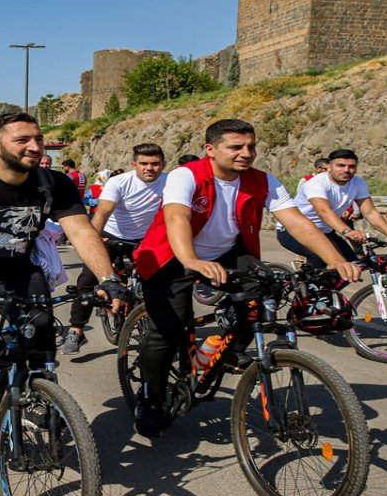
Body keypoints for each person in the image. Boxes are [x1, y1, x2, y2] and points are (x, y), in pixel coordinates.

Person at [131, 120, 361, 437]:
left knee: (265, 291)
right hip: (173, 255)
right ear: (210, 150)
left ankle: (225, 351)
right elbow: (176, 217)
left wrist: (335, 258)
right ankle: (152, 399)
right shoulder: (187, 175)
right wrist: (191, 260)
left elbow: (296, 222)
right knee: (166, 332)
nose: (246, 153)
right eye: (236, 147)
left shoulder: (263, 180)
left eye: (251, 146)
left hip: (227, 252)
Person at [0, 112, 126, 439]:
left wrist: (107, 278)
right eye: (22, 140)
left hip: (15, 269)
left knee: (40, 332)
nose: (35, 147)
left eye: (38, 139)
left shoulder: (54, 183)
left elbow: (82, 232)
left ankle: (36, 394)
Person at [63, 143, 166, 354]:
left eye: (155, 164)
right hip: (111, 235)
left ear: (163, 164)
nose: (149, 168)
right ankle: (76, 330)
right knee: (89, 278)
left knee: (161, 279)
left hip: (146, 239)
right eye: (144, 163)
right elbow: (102, 212)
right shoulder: (119, 182)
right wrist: (95, 240)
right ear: (133, 164)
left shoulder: (170, 181)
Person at [275, 149, 387, 268]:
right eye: (340, 165)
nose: (346, 170)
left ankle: (325, 294)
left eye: (351, 166)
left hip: (325, 232)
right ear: (329, 166)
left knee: (353, 265)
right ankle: (306, 294)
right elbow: (323, 211)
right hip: (292, 230)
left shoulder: (358, 183)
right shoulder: (317, 183)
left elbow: (370, 212)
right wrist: (347, 231)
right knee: (320, 258)